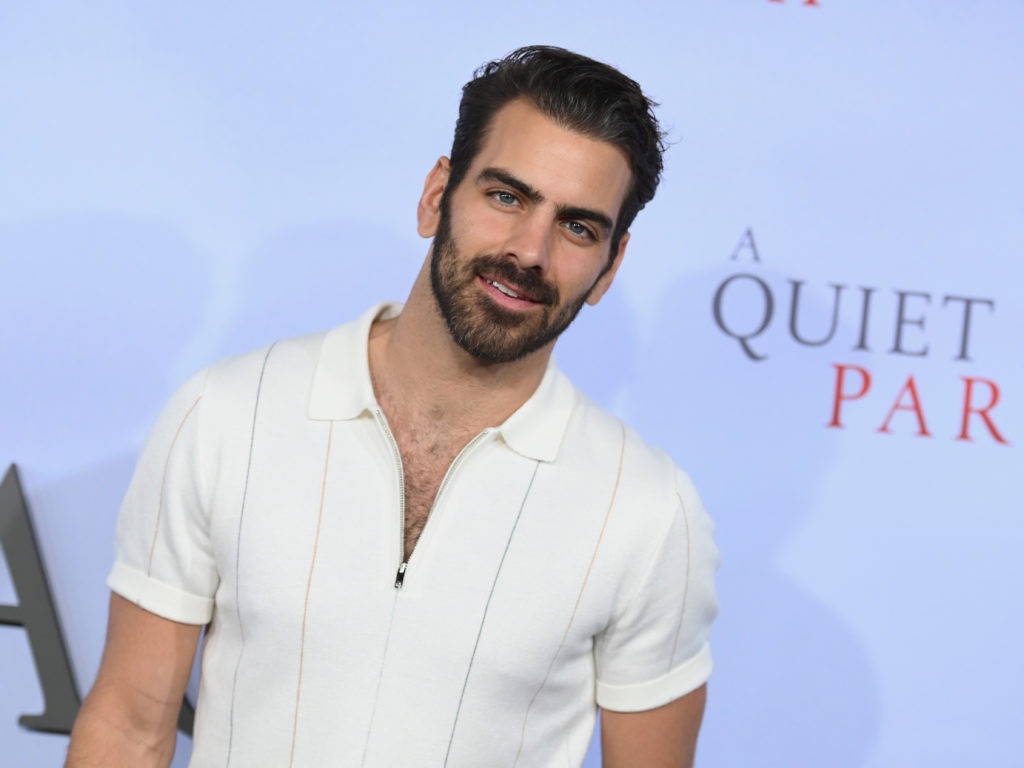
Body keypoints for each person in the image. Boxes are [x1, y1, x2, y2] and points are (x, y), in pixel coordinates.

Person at [66, 45, 718, 768]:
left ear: (610, 266)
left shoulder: (648, 510)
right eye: (507, 197)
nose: (530, 251)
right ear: (437, 195)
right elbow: (128, 727)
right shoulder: (226, 414)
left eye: (577, 227)